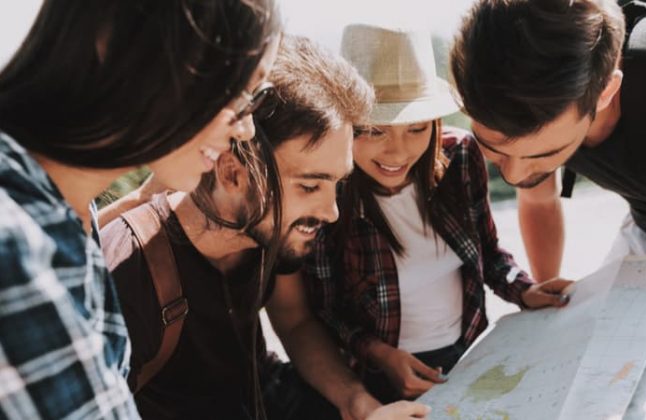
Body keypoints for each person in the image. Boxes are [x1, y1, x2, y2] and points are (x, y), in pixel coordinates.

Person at [101, 35, 432, 420]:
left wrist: (359, 404)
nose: (330, 212)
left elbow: (294, 320)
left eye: (336, 185)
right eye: (309, 186)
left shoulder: (268, 231)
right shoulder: (127, 274)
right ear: (232, 173)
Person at [0, 0, 280, 418]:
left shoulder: (66, 213)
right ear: (119, 41)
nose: (247, 126)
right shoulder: (18, 244)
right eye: (238, 89)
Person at [302, 24, 572, 404]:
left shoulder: (460, 156)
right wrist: (380, 355)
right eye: (374, 131)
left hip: (471, 353)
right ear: (346, 125)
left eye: (416, 128)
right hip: (380, 378)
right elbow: (324, 311)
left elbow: (489, 253)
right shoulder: (328, 191)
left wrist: (525, 289)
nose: (398, 153)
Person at [450, 0, 646, 417]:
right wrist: (555, 309)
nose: (513, 174)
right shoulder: (527, 91)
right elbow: (537, 198)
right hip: (644, 225)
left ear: (606, 93)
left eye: (544, 155)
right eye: (495, 151)